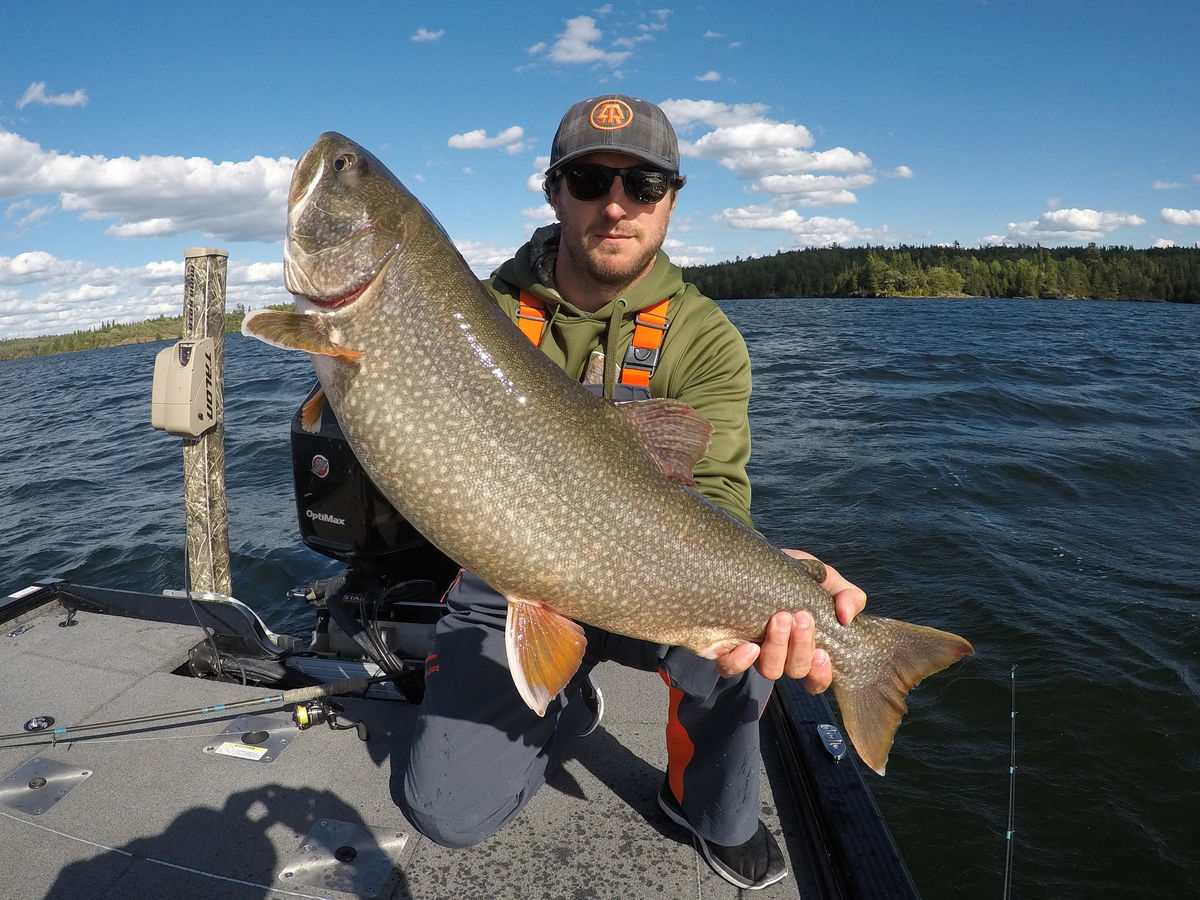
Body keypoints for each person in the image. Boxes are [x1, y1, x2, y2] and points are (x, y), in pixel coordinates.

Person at [396, 94, 867, 891]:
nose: (615, 204)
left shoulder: (706, 335)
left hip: (656, 576)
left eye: (643, 185)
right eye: (588, 178)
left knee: (749, 649)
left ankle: (700, 806)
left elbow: (715, 494)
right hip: (513, 578)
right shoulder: (473, 313)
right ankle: (564, 699)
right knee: (443, 811)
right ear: (553, 191)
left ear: (671, 198)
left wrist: (776, 575)